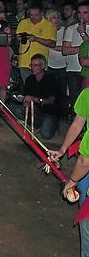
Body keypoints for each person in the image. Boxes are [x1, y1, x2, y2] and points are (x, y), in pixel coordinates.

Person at [54, 87, 89, 255]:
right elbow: (77, 124)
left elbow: (85, 161)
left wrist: (71, 181)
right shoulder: (87, 94)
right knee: (83, 190)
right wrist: (62, 150)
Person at [9, 53, 61, 139]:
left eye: (36, 65)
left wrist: (36, 99)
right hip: (35, 110)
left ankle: (51, 124)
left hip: (49, 111)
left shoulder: (51, 79)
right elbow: (26, 95)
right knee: (14, 109)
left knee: (46, 135)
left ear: (43, 66)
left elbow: (52, 101)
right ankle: (37, 125)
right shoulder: (29, 79)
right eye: (31, 65)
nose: (32, 67)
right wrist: (24, 100)